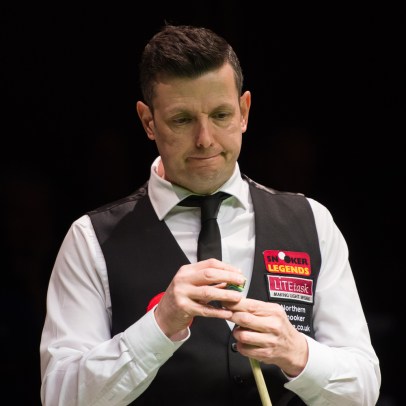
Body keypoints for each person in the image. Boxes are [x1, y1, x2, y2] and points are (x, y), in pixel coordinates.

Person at [40, 24, 381, 405]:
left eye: (221, 115)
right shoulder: (91, 238)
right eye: (182, 120)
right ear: (148, 122)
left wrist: (297, 352)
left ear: (244, 112)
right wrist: (158, 326)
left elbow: (363, 390)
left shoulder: (311, 222)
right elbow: (58, 396)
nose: (205, 139)